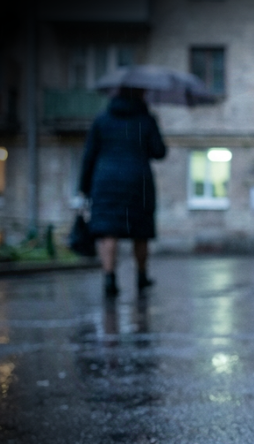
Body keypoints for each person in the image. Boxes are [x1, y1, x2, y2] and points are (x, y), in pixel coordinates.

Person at [79, 87, 167, 297]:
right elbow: (159, 151)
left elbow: (89, 155)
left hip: (106, 180)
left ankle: (109, 277)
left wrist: (83, 187)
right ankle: (141, 275)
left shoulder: (102, 119)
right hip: (138, 180)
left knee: (109, 230)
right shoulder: (146, 119)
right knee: (141, 232)